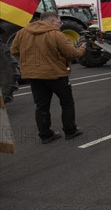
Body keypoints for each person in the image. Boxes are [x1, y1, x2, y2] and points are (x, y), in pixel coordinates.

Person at [11, 11, 87, 144]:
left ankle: (45, 135)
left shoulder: (22, 32)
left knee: (41, 106)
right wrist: (82, 49)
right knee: (67, 102)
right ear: (52, 21)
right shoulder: (56, 34)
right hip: (56, 74)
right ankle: (70, 131)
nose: (60, 25)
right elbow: (71, 53)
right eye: (59, 22)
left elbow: (14, 50)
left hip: (33, 75)